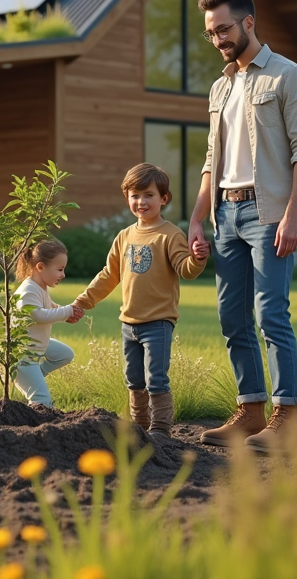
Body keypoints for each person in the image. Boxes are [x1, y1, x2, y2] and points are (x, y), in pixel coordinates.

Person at [188, 0, 297, 452]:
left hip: (268, 214)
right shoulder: (219, 89)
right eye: (210, 33)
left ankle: (288, 417)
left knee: (271, 314)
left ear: (248, 23)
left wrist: (293, 214)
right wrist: (198, 217)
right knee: (231, 317)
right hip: (226, 213)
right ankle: (251, 411)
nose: (218, 39)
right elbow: (211, 159)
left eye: (223, 29)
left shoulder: (288, 76)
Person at [73, 163, 209, 439]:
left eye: (148, 195)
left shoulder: (169, 234)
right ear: (128, 199)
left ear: (163, 198)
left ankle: (160, 431)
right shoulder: (124, 236)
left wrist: (197, 259)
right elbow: (109, 275)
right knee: (134, 380)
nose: (141, 201)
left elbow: (185, 270)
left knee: (155, 379)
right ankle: (139, 428)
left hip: (158, 323)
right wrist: (83, 302)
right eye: (135, 195)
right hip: (128, 323)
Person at [13, 239, 83, 408]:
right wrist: (67, 311)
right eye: (59, 269)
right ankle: (34, 430)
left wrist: (67, 315)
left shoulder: (40, 287)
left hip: (34, 346)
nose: (63, 275)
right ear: (40, 267)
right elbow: (38, 315)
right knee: (42, 400)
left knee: (65, 354)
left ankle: (36, 375)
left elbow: (50, 308)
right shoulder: (28, 290)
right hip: (22, 355)